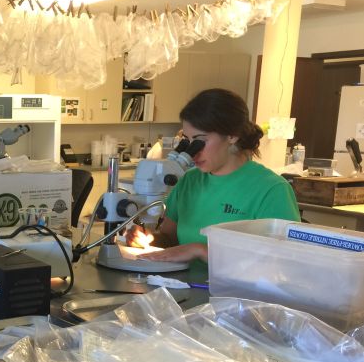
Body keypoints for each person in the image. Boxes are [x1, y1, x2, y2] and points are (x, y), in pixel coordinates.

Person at [126, 88, 300, 263]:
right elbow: (170, 239)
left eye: (201, 140)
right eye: (188, 140)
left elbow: (282, 263)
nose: (192, 152)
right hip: (183, 286)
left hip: (233, 291)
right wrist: (146, 238)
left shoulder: (272, 190)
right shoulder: (189, 180)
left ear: (232, 135)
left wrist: (201, 251)